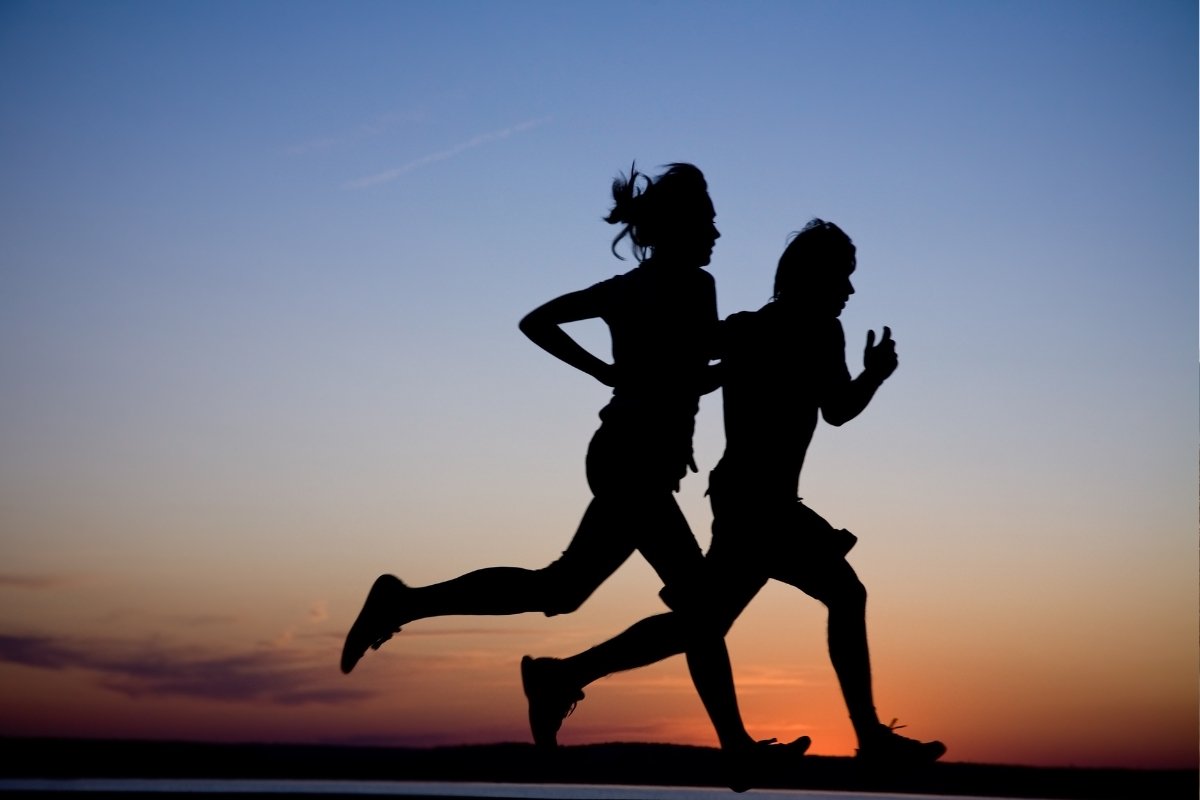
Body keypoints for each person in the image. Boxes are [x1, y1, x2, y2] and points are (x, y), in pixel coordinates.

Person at [519, 220, 945, 787]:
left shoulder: (807, 331)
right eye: (843, 276)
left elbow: (836, 409)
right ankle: (868, 738)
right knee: (843, 592)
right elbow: (684, 356)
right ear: (813, 276)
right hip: (754, 504)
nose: (849, 290)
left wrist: (873, 375)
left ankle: (565, 674)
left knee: (700, 623)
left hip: (753, 501)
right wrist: (629, 365)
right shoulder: (763, 330)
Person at [340, 164, 733, 697]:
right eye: (708, 222)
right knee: (701, 604)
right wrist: (749, 348)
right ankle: (729, 749)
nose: (716, 234)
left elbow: (540, 322)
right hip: (634, 461)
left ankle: (407, 603)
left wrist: (612, 372)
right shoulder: (695, 286)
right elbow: (696, 369)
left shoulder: (624, 291)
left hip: (625, 455)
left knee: (563, 588)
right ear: (680, 227)